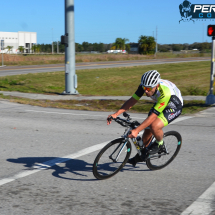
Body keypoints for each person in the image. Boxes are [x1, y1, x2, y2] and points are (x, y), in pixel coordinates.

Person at [107, 70, 183, 167]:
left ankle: (160, 144)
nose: (145, 90)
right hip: (160, 103)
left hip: (174, 106)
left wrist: (136, 130)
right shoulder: (145, 85)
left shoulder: (165, 93)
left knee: (154, 126)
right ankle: (143, 155)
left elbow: (153, 117)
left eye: (148, 88)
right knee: (147, 131)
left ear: (156, 86)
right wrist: (116, 114)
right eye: (144, 87)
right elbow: (132, 101)